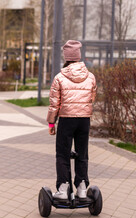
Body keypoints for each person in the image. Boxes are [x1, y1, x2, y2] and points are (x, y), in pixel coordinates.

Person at [46, 40, 97, 200]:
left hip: (66, 120)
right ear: (79, 56)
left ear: (66, 57)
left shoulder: (59, 77)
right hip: (84, 120)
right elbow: (92, 98)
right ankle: (82, 187)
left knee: (62, 154)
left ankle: (63, 188)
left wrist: (51, 122)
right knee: (82, 153)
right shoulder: (90, 77)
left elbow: (54, 103)